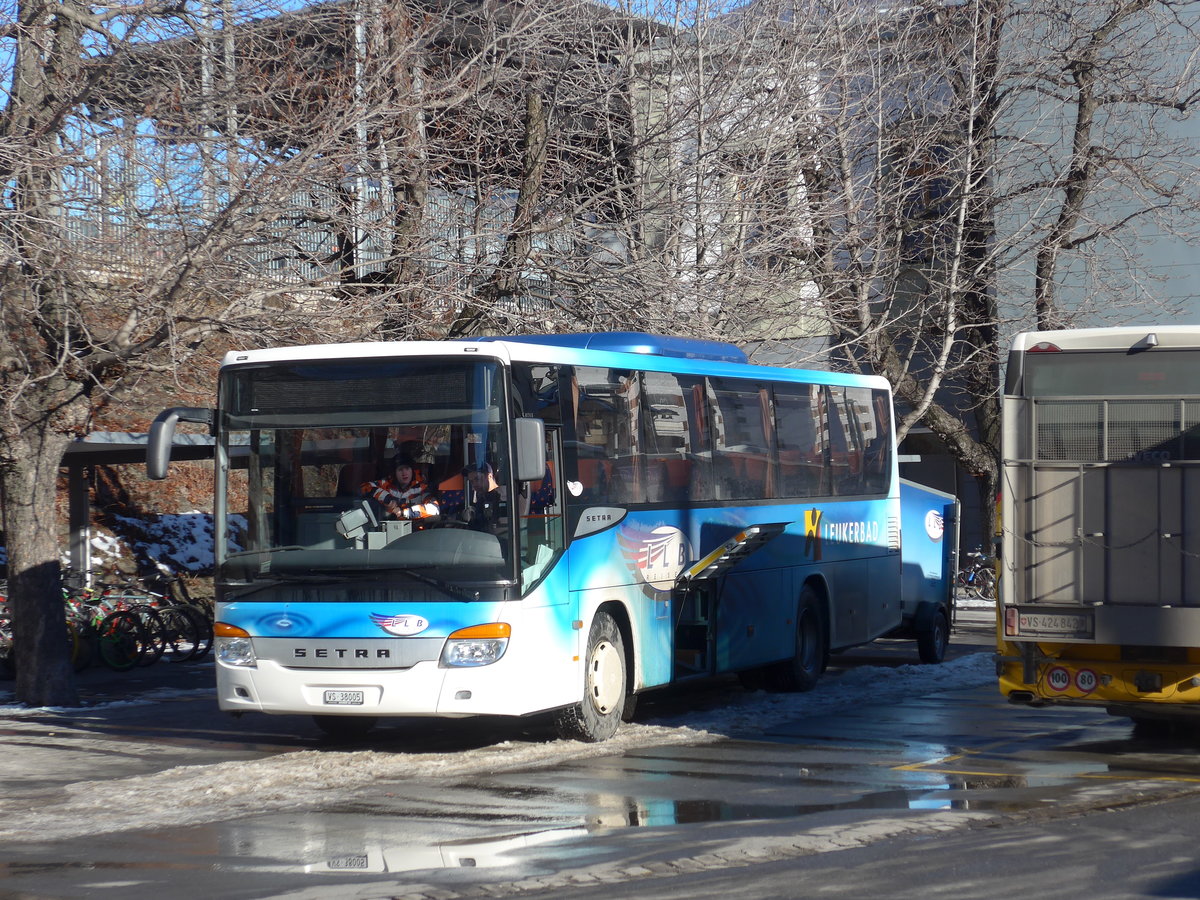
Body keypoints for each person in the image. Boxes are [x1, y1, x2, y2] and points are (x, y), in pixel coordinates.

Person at [362, 452, 440, 521]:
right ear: (394, 472)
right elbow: (364, 488)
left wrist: (403, 512)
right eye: (400, 469)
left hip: (417, 530)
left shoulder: (422, 488)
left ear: (412, 470)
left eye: (407, 468)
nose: (404, 473)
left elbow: (434, 509)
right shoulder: (386, 485)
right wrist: (386, 498)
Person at [461, 461, 503, 531]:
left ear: (489, 476)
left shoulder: (504, 497)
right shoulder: (481, 500)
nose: (474, 485)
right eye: (471, 481)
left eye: (477, 479)